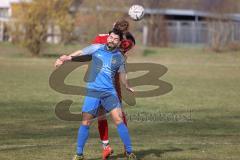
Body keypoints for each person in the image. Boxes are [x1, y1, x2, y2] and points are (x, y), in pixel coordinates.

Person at [56, 19, 136, 160]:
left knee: (119, 119)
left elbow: (123, 75)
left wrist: (127, 85)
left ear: (119, 42)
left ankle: (129, 152)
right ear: (108, 37)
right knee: (86, 121)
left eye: (115, 39)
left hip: (109, 92)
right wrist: (67, 58)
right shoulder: (97, 47)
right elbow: (82, 53)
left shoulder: (120, 57)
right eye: (110, 37)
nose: (111, 40)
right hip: (93, 91)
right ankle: (79, 154)